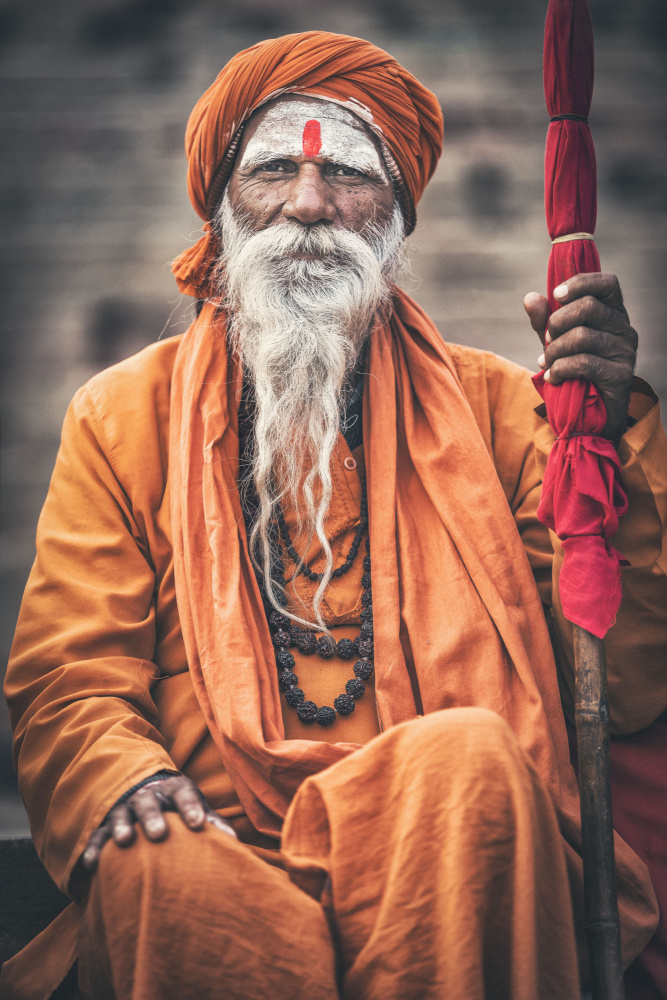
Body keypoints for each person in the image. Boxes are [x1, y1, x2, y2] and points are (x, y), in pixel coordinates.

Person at [2, 30, 666, 1000]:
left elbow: (626, 676)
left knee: (468, 758)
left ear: (397, 216)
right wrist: (123, 780)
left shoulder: (504, 410)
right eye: (275, 167)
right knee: (156, 865)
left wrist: (611, 433)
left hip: (440, 850)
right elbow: (70, 670)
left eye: (348, 175)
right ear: (223, 204)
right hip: (214, 839)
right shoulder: (119, 414)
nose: (309, 205)